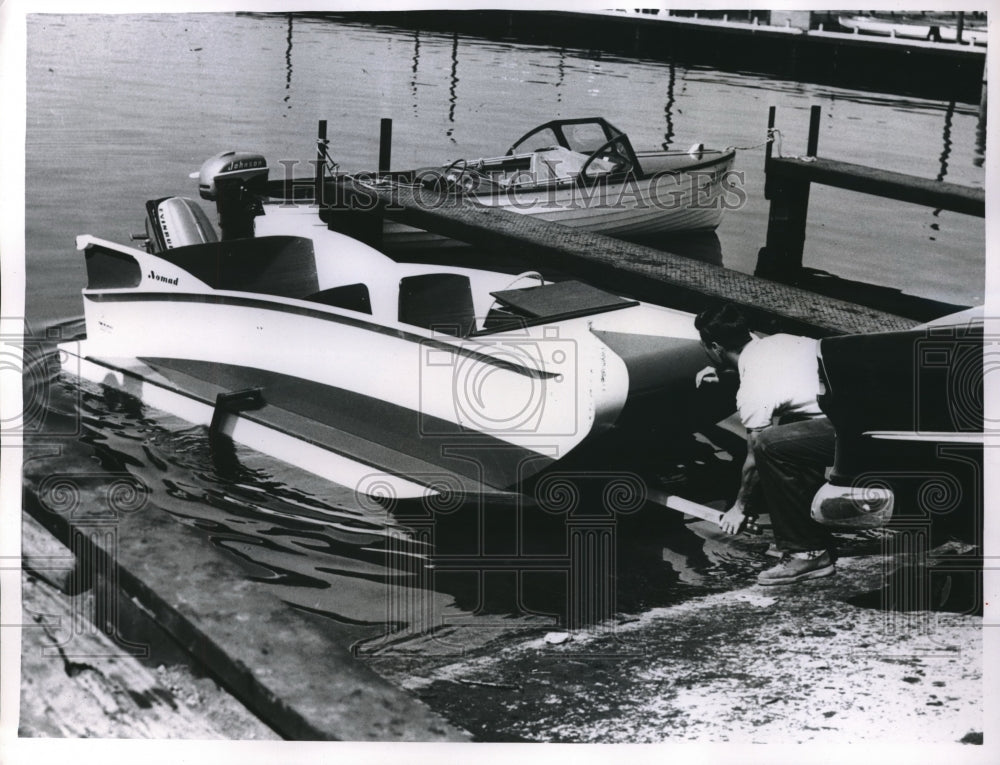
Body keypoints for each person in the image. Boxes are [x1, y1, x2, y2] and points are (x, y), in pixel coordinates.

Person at [694, 303, 837, 585]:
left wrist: (740, 506)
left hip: (854, 429)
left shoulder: (753, 388)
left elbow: (754, 459)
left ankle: (807, 553)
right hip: (863, 410)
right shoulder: (781, 340)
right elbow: (784, 374)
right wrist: (726, 373)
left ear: (714, 347)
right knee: (789, 434)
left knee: (770, 446)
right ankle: (809, 530)